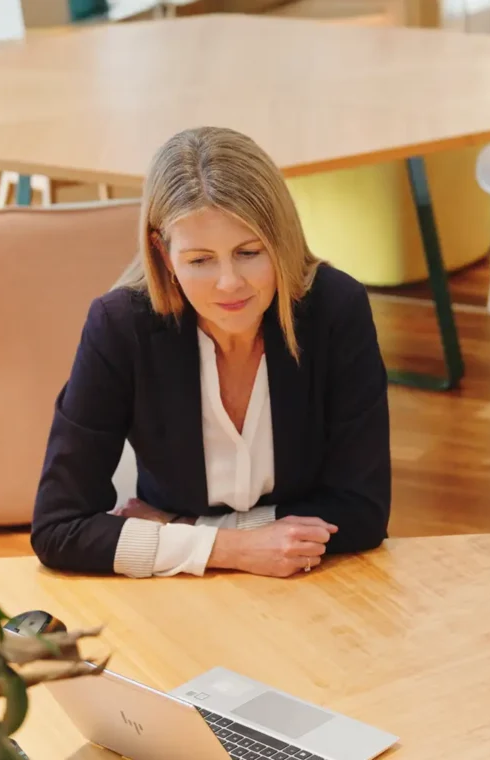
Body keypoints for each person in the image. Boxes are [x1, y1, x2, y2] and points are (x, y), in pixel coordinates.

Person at [31, 126, 391, 579]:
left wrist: (183, 530)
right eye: (200, 260)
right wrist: (233, 548)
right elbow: (58, 529)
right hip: (178, 593)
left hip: (312, 578)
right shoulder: (120, 326)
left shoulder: (336, 309)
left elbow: (363, 512)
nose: (229, 283)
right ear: (163, 253)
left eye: (249, 252)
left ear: (281, 239)